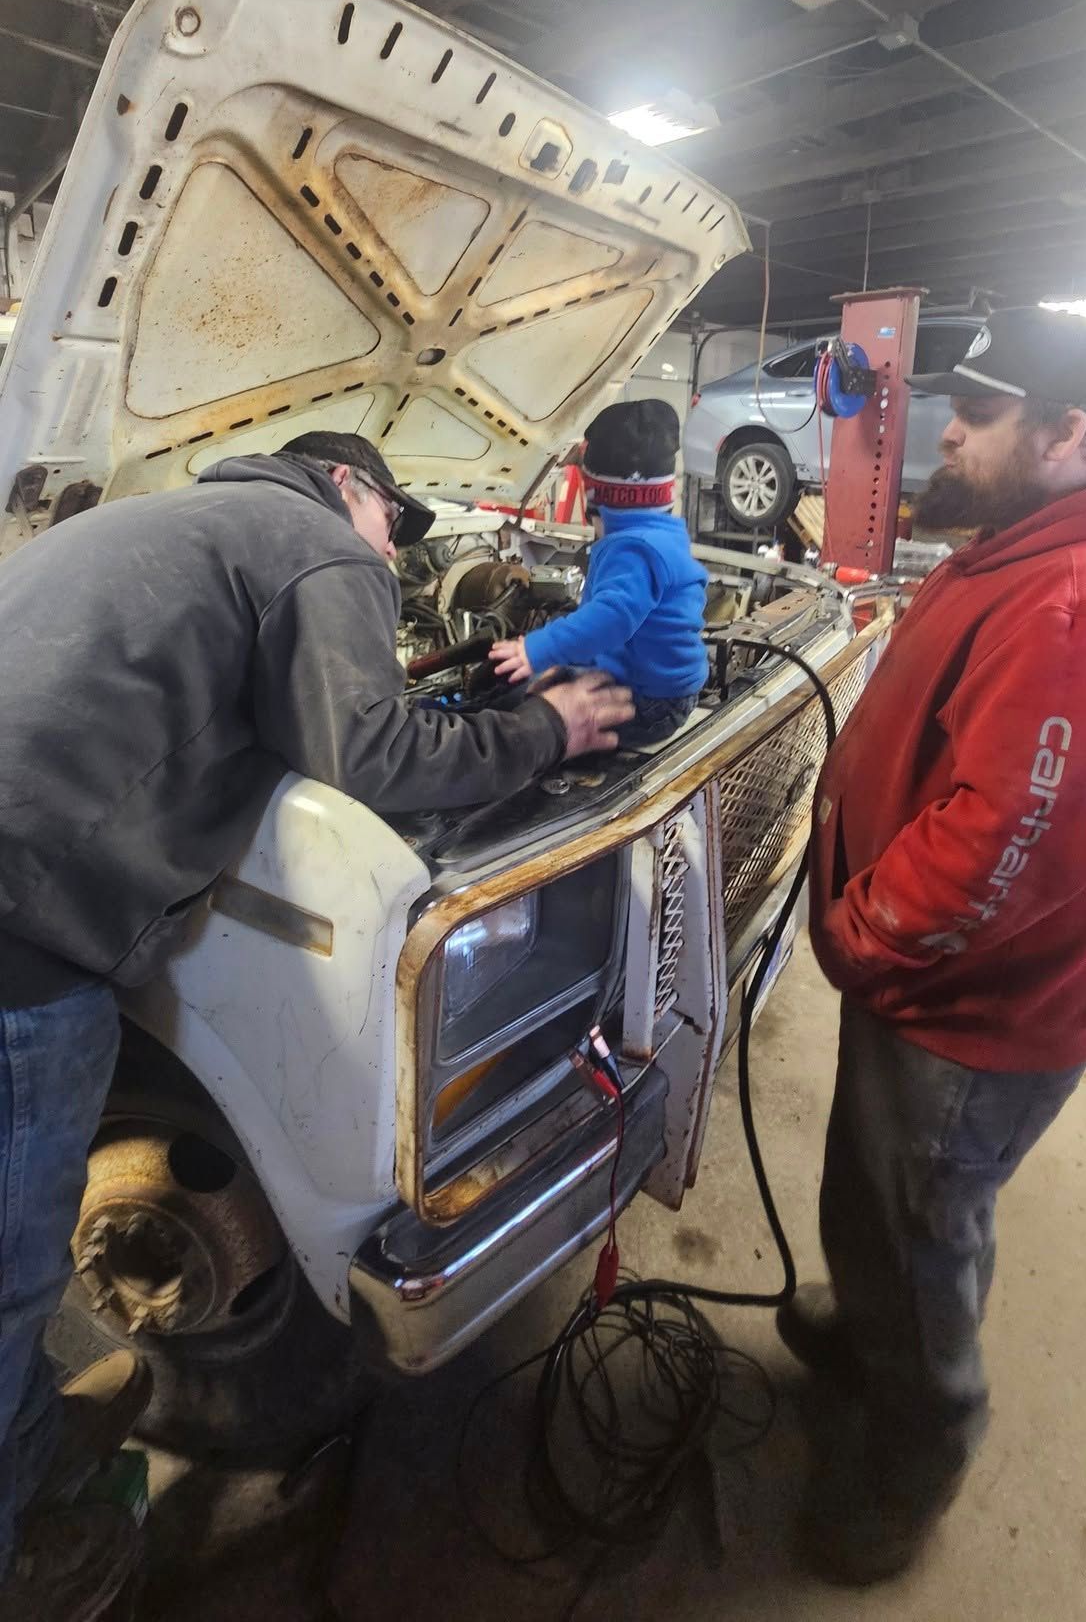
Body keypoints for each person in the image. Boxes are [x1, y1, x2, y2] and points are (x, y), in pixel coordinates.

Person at [0, 429, 632, 1619]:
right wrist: (552, 726)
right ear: (352, 489)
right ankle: (21, 1553)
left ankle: (29, 1445)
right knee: (5, 1275)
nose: (393, 556)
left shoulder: (155, 522)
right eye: (397, 525)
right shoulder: (309, 538)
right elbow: (374, 751)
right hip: (22, 923)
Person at [780, 307, 1086, 1586]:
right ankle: (879, 1334)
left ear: (1065, 433)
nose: (945, 427)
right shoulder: (1024, 539)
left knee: (924, 1226)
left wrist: (861, 930)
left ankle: (915, 1450)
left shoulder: (1080, 607)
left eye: (980, 415)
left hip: (966, 1014)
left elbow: (1010, 847)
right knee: (883, 1209)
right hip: (929, 986)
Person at [491, 399, 708, 745]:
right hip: (663, 688)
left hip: (649, 704)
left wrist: (536, 649)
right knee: (549, 683)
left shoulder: (635, 549)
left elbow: (611, 619)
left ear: (602, 500)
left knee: (536, 716)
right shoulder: (662, 534)